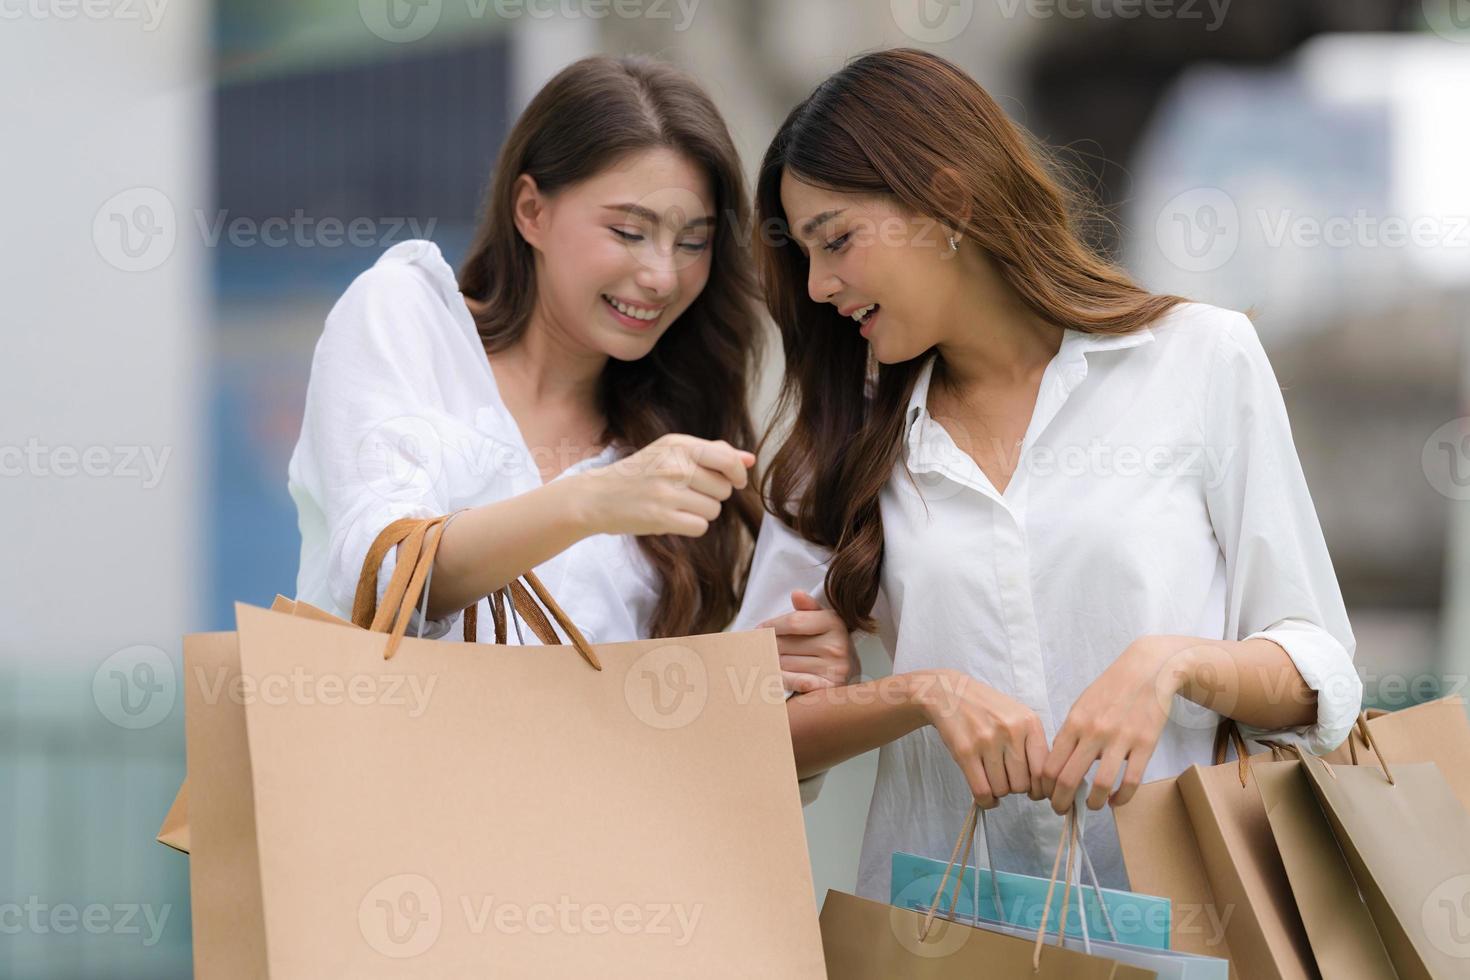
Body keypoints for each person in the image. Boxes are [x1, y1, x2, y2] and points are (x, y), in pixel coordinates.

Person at [731, 47, 1362, 898]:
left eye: (836, 240)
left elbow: (1319, 672)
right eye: (805, 254)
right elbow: (750, 735)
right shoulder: (840, 442)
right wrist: (918, 692)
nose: (818, 285)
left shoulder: (1198, 359)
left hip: (1190, 923)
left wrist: (1173, 663)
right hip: (947, 938)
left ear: (948, 200)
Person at [288, 54, 855, 698]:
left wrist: (765, 674)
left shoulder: (676, 433)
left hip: (585, 800)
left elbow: (665, 731)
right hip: (373, 787)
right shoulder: (408, 316)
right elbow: (382, 575)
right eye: (628, 231)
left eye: (692, 242)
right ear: (531, 210)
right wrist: (590, 502)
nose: (662, 276)